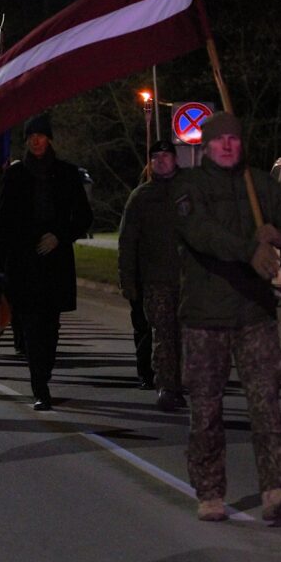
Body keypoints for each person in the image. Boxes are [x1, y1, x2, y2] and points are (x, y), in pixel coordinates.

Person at [170, 111, 281, 522]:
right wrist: (249, 249)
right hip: (205, 316)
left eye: (234, 138)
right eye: (219, 139)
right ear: (206, 145)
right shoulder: (188, 186)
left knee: (266, 404)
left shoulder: (259, 183)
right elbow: (201, 233)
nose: (227, 145)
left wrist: (277, 234)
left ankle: (275, 486)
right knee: (207, 411)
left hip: (254, 313)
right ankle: (210, 491)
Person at [0, 113, 93, 411]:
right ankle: (39, 386)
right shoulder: (16, 175)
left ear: (49, 138)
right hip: (24, 260)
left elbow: (84, 217)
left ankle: (44, 371)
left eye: (41, 135)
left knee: (50, 325)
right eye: (31, 136)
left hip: (56, 259)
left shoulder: (67, 173)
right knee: (32, 324)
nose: (36, 141)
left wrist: (60, 235)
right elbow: (4, 222)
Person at [118, 139, 187, 412]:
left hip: (190, 280)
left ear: (175, 159)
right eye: (155, 156)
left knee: (188, 336)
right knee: (163, 335)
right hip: (156, 280)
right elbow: (127, 242)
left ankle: (183, 382)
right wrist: (127, 280)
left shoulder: (193, 192)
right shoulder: (141, 197)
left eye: (165, 156)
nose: (161, 160)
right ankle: (167, 387)